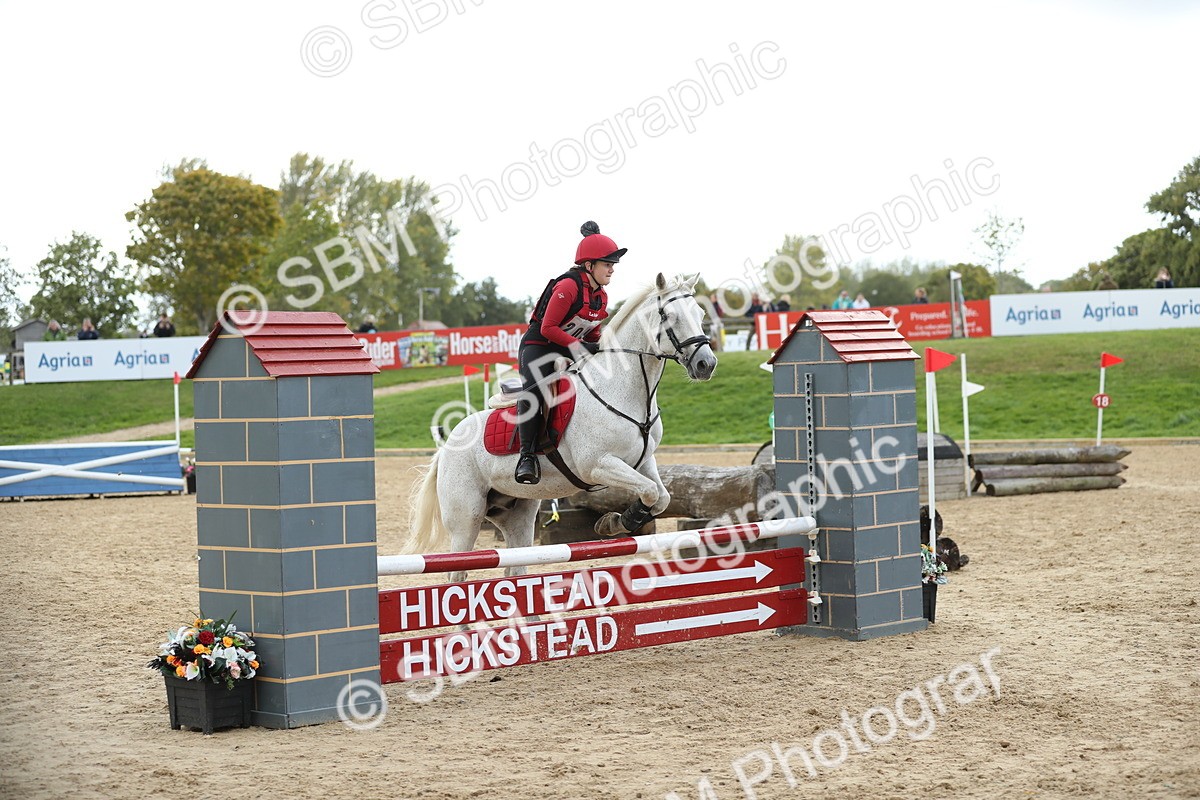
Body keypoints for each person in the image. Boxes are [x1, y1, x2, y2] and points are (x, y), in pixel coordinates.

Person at [514, 221, 625, 485]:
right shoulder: (568, 287)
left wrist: (600, 346)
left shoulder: (602, 296)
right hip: (538, 346)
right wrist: (580, 347)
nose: (611, 268)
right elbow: (548, 328)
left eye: (613, 264)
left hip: (568, 347)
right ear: (589, 266)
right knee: (534, 390)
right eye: (606, 263)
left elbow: (592, 332)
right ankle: (526, 456)